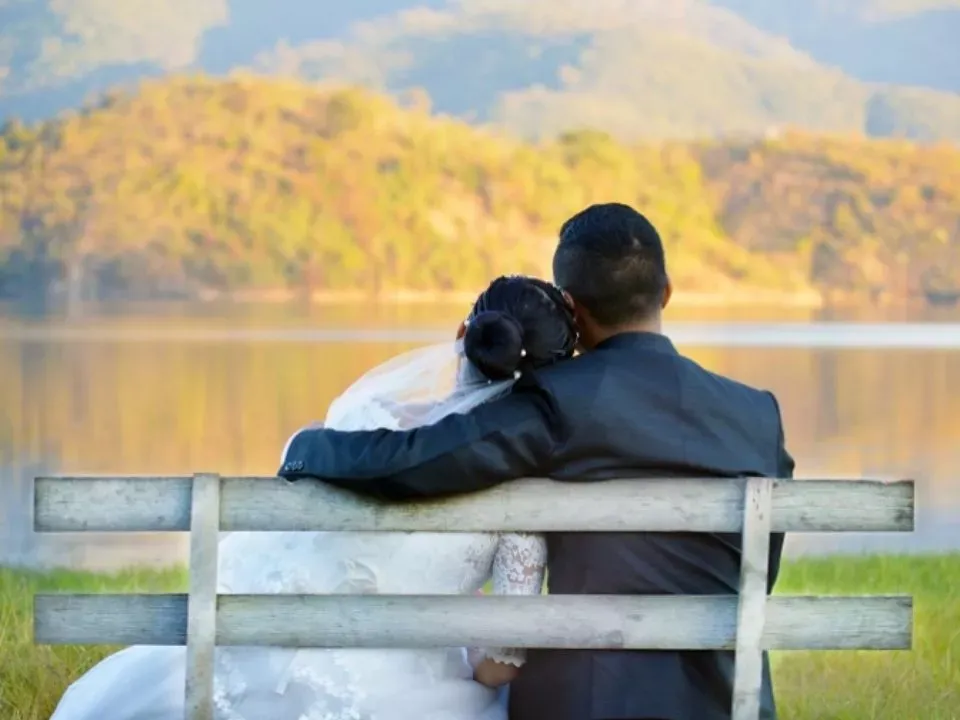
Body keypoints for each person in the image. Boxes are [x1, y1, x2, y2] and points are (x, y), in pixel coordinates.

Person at [280, 203, 795, 720]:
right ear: (666, 292)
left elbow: (412, 464)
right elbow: (758, 571)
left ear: (570, 307)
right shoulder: (757, 414)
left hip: (591, 703)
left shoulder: (561, 400)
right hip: (730, 700)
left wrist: (305, 449)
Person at [48, 275, 578, 720]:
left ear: (461, 334)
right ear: (549, 382)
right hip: (401, 696)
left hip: (256, 661)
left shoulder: (360, 422)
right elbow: (498, 665)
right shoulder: (522, 499)